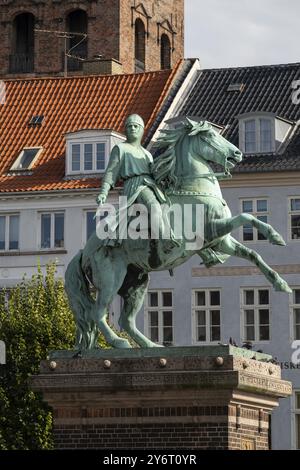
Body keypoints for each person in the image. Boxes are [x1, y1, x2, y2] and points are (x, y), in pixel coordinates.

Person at [96, 114, 177, 250]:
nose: (132, 128)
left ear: (142, 130)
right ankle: (165, 241)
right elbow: (111, 172)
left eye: (136, 126)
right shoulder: (120, 148)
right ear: (126, 130)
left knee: (169, 208)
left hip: (150, 185)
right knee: (154, 206)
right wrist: (103, 192)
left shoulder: (147, 154)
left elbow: (155, 173)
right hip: (135, 185)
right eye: (129, 126)